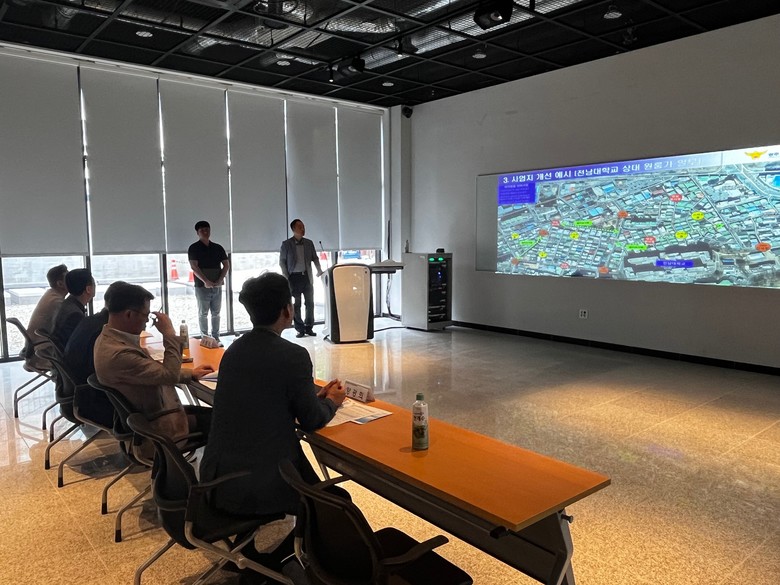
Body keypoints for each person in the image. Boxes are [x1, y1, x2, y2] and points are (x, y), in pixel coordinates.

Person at [200, 272, 345, 519]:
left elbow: (264, 399)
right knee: (339, 503)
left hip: (216, 479)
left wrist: (312, 398)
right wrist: (332, 401)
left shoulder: (235, 350)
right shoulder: (293, 355)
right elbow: (311, 420)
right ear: (287, 310)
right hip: (261, 483)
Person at [93, 282, 214, 453]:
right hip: (159, 428)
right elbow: (169, 375)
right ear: (129, 314)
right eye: (146, 315)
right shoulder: (119, 354)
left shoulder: (107, 339)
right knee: (233, 421)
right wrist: (169, 334)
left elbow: (150, 373)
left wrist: (189, 373)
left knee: (221, 413)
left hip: (151, 418)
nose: (146, 322)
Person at [62, 281, 123, 428]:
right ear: (128, 312)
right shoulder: (103, 332)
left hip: (76, 394)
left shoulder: (90, 321)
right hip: (93, 400)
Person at [279, 218, 323, 338]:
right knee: (296, 304)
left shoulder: (309, 243)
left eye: (303, 226)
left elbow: (315, 258)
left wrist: (319, 270)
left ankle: (309, 327)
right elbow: (282, 262)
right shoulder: (286, 244)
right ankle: (300, 329)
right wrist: (286, 276)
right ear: (293, 229)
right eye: (300, 227)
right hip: (293, 278)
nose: (303, 229)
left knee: (310, 303)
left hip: (306, 277)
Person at [188, 220, 229, 343]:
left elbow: (226, 265)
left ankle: (216, 337)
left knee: (216, 313)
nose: (205, 232)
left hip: (217, 284)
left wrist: (220, 279)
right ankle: (205, 337)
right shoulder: (194, 248)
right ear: (197, 233)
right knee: (203, 313)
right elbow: (194, 267)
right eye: (202, 230)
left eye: (207, 230)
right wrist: (205, 280)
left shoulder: (218, 247)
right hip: (201, 285)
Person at [23, 264, 68, 370]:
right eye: (68, 278)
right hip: (43, 352)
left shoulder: (51, 294)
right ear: (60, 283)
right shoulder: (56, 302)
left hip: (36, 348)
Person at [50, 268, 95, 351]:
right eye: (94, 284)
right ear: (88, 289)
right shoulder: (75, 315)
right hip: (69, 356)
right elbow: (81, 344)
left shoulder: (67, 304)